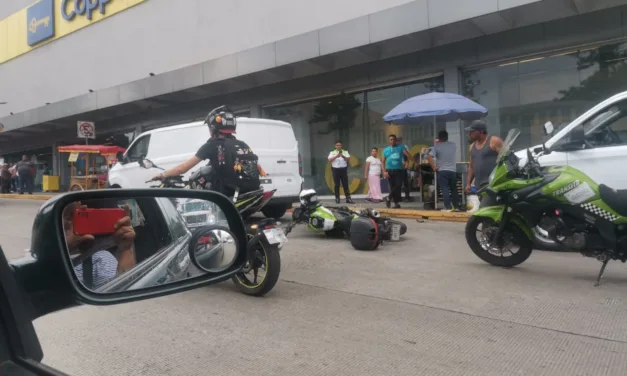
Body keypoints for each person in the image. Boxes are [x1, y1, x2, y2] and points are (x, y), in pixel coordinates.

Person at [151, 105, 260, 198]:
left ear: (213, 127)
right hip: (247, 191)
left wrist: (163, 174)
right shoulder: (242, 144)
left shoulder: (212, 145)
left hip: (225, 196)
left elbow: (183, 168)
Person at [63, 202, 136, 290]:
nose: (68, 222)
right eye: (64, 216)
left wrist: (126, 249)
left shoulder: (100, 260)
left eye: (73, 215)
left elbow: (123, 290)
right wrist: (64, 247)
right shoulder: (45, 254)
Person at [464, 120, 503, 206]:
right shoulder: (472, 147)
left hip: (492, 184)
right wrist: (468, 184)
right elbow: (471, 167)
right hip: (480, 186)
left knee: (484, 209)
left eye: (472, 131)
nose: (469, 134)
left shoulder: (494, 141)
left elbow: (506, 158)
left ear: (481, 132)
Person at [428, 130, 460, 212]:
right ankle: (456, 206)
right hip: (452, 171)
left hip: (442, 171)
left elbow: (429, 157)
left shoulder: (436, 146)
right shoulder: (453, 145)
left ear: (439, 138)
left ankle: (448, 207)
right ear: (447, 137)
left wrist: (434, 167)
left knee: (445, 189)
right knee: (454, 189)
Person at [382, 134, 412, 209]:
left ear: (395, 140)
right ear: (389, 141)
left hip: (399, 170)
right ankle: (396, 203)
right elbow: (382, 162)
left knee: (398, 185)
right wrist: (384, 172)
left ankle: (388, 197)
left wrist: (407, 163)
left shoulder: (401, 147)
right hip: (389, 170)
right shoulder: (385, 150)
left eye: (393, 139)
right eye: (390, 139)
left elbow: (409, 156)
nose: (392, 141)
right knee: (392, 187)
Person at [396, 136, 413, 202]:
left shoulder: (405, 147)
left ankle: (407, 196)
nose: (398, 141)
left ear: (401, 140)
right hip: (396, 167)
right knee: (398, 183)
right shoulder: (394, 147)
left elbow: (407, 156)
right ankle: (398, 197)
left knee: (406, 182)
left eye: (399, 140)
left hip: (403, 166)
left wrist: (407, 164)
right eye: (397, 140)